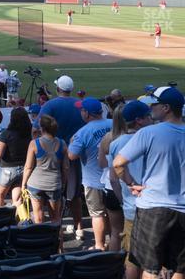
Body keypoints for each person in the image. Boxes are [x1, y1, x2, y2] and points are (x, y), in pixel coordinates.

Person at [113, 86, 185, 279]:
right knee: (179, 268)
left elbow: (118, 163)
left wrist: (131, 183)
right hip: (183, 210)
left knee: (150, 268)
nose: (151, 108)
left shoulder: (149, 133)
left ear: (166, 108)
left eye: (155, 104)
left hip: (152, 209)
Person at [38, 74, 85, 240]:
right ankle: (79, 227)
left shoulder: (50, 105)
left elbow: (38, 129)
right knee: (74, 194)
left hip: (53, 156)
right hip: (74, 155)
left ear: (58, 89)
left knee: (53, 195)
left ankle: (54, 231)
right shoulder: (80, 104)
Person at [109, 100, 152, 279]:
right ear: (139, 120)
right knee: (152, 260)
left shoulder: (116, 143)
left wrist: (123, 199)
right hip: (153, 206)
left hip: (131, 207)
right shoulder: (153, 138)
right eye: (148, 116)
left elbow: (113, 178)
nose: (152, 119)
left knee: (132, 257)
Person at [68, 97, 113, 251]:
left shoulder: (83, 132)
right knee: (113, 214)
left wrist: (71, 141)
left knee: (97, 214)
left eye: (82, 110)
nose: (81, 112)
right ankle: (115, 244)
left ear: (87, 113)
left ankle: (99, 245)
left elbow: (71, 155)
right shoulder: (113, 124)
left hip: (94, 181)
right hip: (114, 179)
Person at [21, 114, 69, 227]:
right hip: (54, 184)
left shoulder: (34, 144)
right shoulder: (62, 144)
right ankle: (58, 244)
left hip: (35, 184)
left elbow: (28, 167)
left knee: (38, 217)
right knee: (56, 218)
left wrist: (23, 184)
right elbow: (66, 168)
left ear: (42, 128)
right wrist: (63, 183)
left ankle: (40, 242)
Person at [97, 104, 126, 252]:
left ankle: (115, 266)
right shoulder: (137, 136)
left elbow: (102, 164)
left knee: (115, 232)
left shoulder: (108, 138)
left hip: (110, 188)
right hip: (131, 188)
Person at [0, 107, 32, 207]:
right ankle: (17, 220)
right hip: (24, 169)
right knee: (17, 199)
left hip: (7, 169)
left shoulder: (6, 134)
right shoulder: (29, 134)